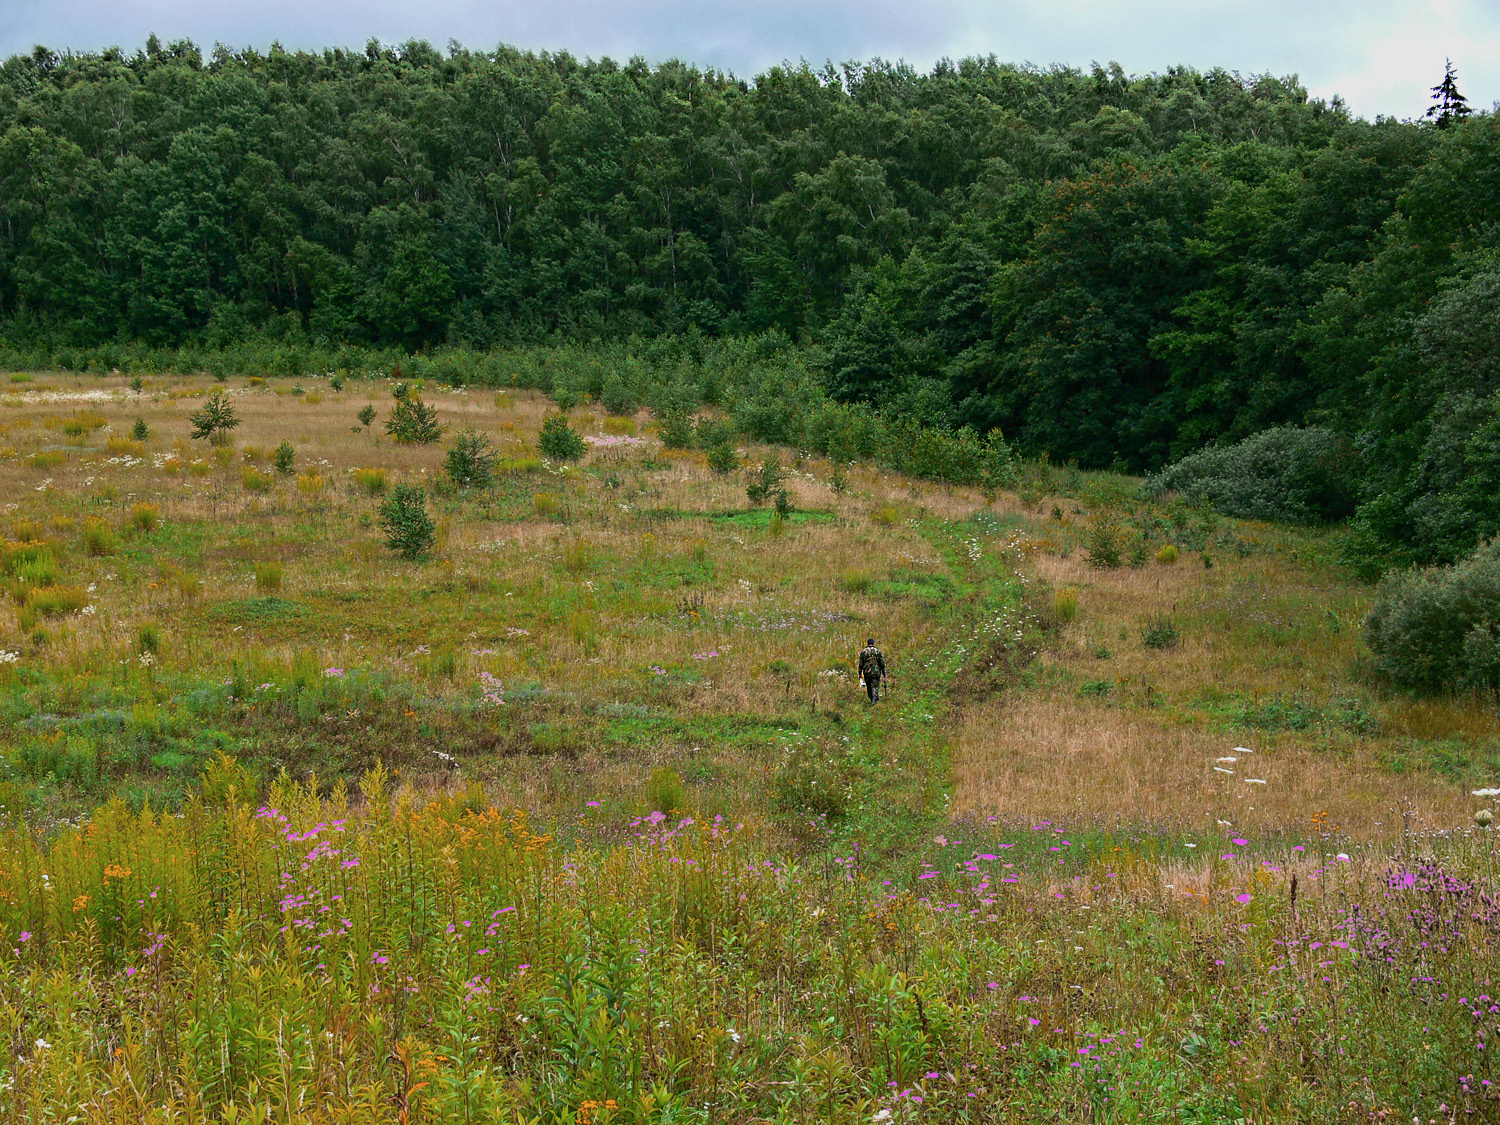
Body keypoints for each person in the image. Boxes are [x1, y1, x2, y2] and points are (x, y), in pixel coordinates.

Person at [858, 638, 886, 703]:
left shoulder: (863, 652)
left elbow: (860, 664)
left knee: (869, 686)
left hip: (867, 671)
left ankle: (872, 699)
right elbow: (881, 663)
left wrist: (859, 673)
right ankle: (874, 700)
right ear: (874, 644)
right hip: (876, 671)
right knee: (875, 686)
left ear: (867, 644)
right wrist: (884, 673)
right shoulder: (877, 651)